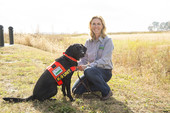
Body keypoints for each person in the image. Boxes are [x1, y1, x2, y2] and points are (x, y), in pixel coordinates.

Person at [72, 16, 114, 100]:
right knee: (75, 90)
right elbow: (84, 59)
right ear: (90, 26)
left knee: (88, 70)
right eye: (93, 24)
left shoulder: (108, 40)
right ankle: (99, 84)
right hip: (91, 72)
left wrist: (87, 66)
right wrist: (76, 66)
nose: (96, 26)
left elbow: (105, 60)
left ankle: (106, 91)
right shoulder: (88, 42)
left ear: (102, 26)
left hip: (104, 72)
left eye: (98, 24)